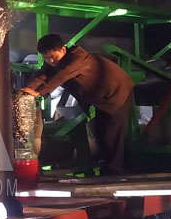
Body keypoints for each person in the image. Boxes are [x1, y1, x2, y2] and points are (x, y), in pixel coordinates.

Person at [20, 34, 134, 174]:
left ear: (63, 50)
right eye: (46, 58)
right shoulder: (54, 62)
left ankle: (116, 171)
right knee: (100, 132)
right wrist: (28, 90)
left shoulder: (78, 59)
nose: (51, 61)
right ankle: (109, 168)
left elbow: (61, 76)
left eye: (53, 57)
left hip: (117, 94)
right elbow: (43, 74)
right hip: (100, 99)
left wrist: (39, 92)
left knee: (112, 135)